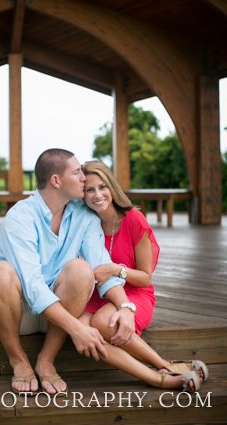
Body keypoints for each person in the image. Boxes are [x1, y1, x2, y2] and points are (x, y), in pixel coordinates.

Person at [0, 148, 133, 396]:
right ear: (56, 180)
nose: (84, 177)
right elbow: (32, 286)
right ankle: (18, 359)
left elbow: (102, 267)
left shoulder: (84, 216)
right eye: (77, 172)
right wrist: (77, 329)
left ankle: (46, 359)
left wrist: (126, 308)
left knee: (82, 270)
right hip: (19, 315)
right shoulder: (20, 216)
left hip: (63, 311)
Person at [80, 160, 208, 391]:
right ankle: (157, 376)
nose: (97, 195)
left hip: (134, 292)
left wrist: (115, 269)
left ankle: (163, 365)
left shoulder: (133, 220)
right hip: (99, 294)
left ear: (112, 187)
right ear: (83, 194)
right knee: (82, 330)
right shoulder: (85, 221)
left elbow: (145, 277)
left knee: (103, 322)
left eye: (102, 187)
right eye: (89, 189)